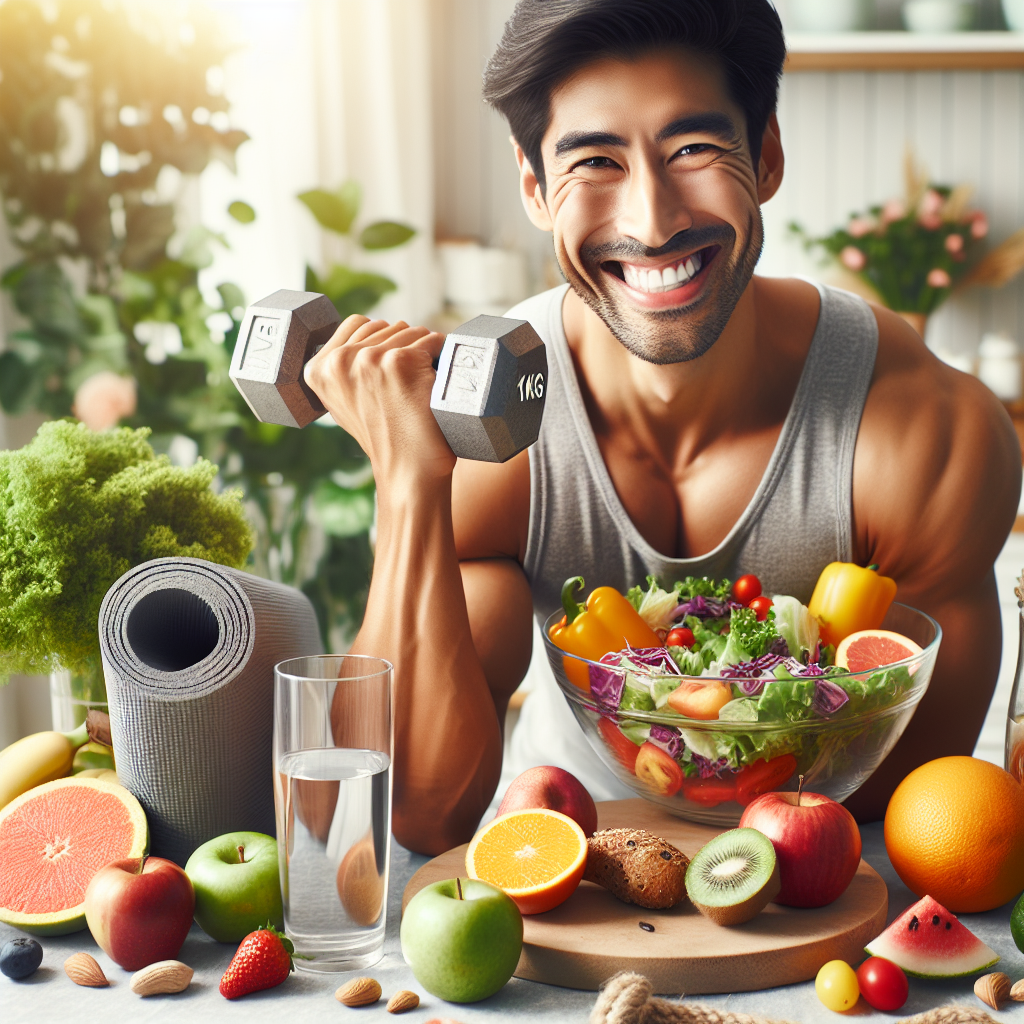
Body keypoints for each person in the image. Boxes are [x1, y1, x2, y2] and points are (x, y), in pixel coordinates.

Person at [305, 0, 1021, 856]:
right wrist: (410, 481)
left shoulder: (919, 432)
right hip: (574, 857)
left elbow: (913, 801)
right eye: (595, 162)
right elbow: (423, 810)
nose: (651, 222)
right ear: (535, 187)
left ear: (766, 156)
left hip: (815, 886)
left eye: (692, 150)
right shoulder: (496, 444)